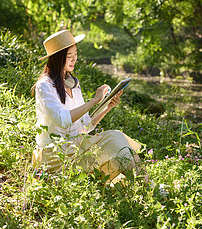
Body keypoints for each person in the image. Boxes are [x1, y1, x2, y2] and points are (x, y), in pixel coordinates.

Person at [31, 30, 142, 183]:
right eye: (69, 56)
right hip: (55, 154)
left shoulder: (73, 83)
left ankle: (145, 183)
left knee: (116, 137)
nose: (74, 59)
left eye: (75, 54)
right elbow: (62, 120)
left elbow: (85, 126)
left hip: (75, 146)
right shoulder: (44, 85)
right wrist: (93, 101)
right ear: (58, 58)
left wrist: (107, 106)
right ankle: (147, 187)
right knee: (114, 141)